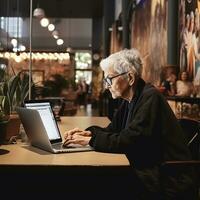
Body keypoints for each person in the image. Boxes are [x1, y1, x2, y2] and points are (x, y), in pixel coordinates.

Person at [63, 48, 195, 199]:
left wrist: (91, 140)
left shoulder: (150, 97)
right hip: (149, 169)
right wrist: (87, 133)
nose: (107, 85)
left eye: (109, 79)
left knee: (93, 182)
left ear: (130, 78)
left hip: (166, 178)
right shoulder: (129, 99)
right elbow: (113, 130)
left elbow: (130, 141)